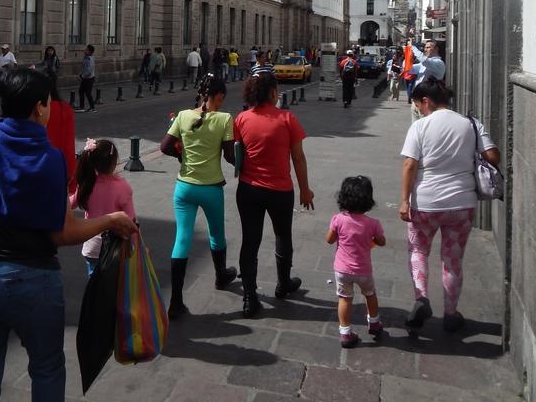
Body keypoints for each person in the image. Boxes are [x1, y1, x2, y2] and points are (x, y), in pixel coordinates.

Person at [0, 66, 138, 402]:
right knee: (46, 370)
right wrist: (110, 220)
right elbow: (62, 233)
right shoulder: (49, 159)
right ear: (39, 107)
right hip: (32, 279)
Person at [399, 79, 500, 333]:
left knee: (419, 252)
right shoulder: (470, 123)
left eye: (418, 105)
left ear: (427, 101)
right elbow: (493, 156)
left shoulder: (420, 126)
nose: (419, 111)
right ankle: (451, 314)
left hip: (426, 203)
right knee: (452, 260)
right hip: (461, 204)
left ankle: (421, 298)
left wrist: (404, 200)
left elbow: (410, 164)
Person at [233, 72, 314, 317]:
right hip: (280, 190)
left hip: (248, 189)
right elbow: (298, 158)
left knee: (250, 240)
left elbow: (238, 153)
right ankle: (283, 283)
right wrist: (305, 190)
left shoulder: (241, 119)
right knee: (282, 236)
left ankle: (249, 296)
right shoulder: (288, 118)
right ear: (272, 93)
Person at [159, 74, 238, 318]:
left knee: (181, 240)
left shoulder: (183, 116)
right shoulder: (225, 119)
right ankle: (220, 276)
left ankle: (176, 302)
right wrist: (246, 164)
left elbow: (164, 147)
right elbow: (228, 156)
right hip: (211, 187)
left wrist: (181, 157)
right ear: (219, 96)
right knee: (217, 235)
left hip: (184, 187)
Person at [326, 176, 386, 347]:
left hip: (342, 270)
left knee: (344, 299)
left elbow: (329, 240)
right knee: (370, 294)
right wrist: (373, 239)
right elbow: (382, 242)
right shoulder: (373, 223)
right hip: (364, 270)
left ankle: (345, 332)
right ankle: (374, 323)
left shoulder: (338, 219)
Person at [71, 139, 136, 275]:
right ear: (114, 162)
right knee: (114, 288)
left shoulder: (87, 184)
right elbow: (131, 221)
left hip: (91, 246)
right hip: (115, 247)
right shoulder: (122, 188)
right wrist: (135, 247)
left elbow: (70, 203)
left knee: (94, 286)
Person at [44, 73, 77, 194]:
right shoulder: (64, 109)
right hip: (60, 171)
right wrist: (71, 173)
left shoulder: (33, 110)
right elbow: (69, 146)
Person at [78, 44, 96, 112]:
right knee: (81, 91)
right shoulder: (85, 57)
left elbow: (89, 70)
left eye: (86, 49)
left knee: (88, 93)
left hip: (89, 78)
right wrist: (81, 74)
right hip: (85, 78)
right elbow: (84, 67)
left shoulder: (90, 59)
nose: (84, 50)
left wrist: (82, 76)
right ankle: (82, 107)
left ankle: (92, 108)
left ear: (89, 51)